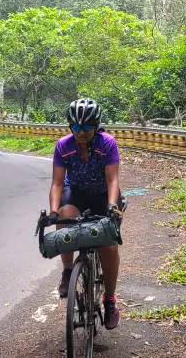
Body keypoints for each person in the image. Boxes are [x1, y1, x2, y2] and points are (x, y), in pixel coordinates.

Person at [48, 98, 124, 330]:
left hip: (103, 194)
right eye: (76, 127)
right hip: (76, 192)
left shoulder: (107, 143)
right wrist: (52, 212)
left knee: (108, 247)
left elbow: (112, 179)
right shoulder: (63, 145)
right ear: (70, 126)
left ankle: (109, 300)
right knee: (65, 216)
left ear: (96, 125)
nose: (81, 132)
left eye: (87, 127)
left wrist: (112, 207)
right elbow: (57, 183)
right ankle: (68, 271)